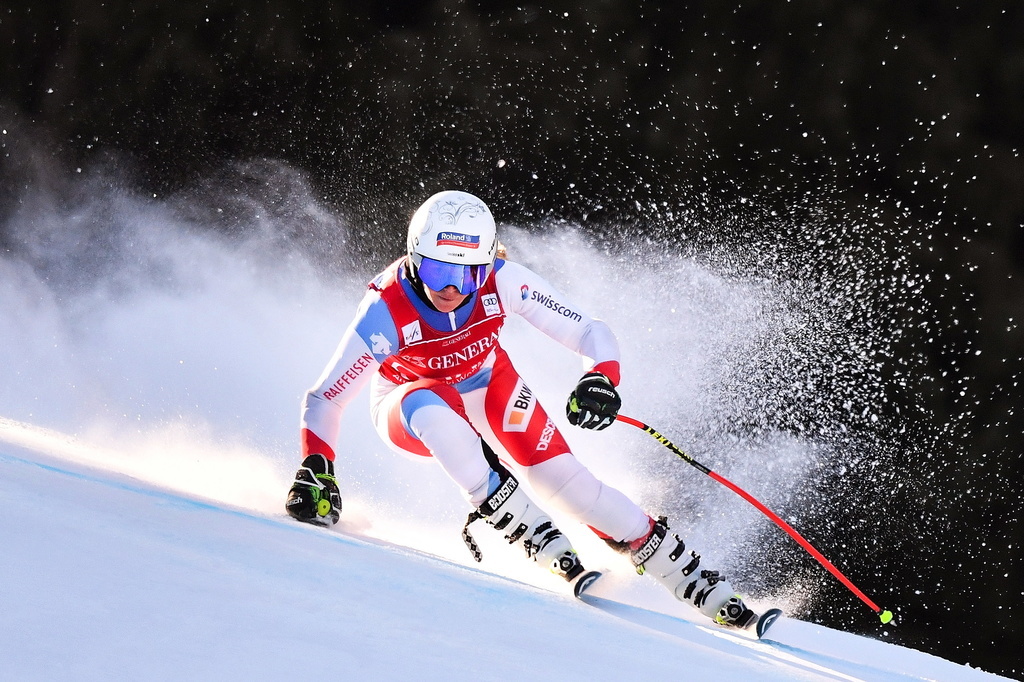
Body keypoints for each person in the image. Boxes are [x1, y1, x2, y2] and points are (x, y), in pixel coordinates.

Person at [285, 190, 757, 629]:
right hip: (407, 404)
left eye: (466, 274)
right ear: (412, 261)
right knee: (431, 405)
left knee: (565, 482)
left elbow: (590, 331)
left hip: (487, 383)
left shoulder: (502, 281)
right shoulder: (385, 310)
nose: (451, 289)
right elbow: (326, 397)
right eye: (436, 273)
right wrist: (317, 468)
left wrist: (601, 376)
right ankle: (527, 528)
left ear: (486, 264)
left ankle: (684, 574)